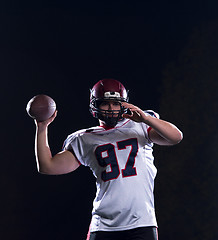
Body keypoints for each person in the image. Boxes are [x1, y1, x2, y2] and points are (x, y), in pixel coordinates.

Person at [34, 79, 183, 240]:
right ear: (95, 106)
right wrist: (42, 128)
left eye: (116, 103)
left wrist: (146, 118)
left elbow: (175, 137)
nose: (111, 108)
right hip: (103, 225)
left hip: (142, 223)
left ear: (124, 104)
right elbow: (47, 166)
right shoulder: (85, 138)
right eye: (105, 103)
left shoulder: (140, 125)